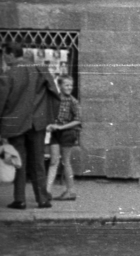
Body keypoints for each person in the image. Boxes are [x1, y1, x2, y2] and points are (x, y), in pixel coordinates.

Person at [0, 42, 60, 210]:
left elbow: (2, 101)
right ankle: (42, 199)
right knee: (38, 162)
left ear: (11, 54)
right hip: (37, 122)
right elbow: (54, 93)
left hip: (16, 122)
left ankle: (20, 200)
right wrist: (48, 115)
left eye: (5, 55)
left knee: (19, 161)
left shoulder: (8, 74)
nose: (4, 58)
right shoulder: (40, 69)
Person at [44, 75, 80, 200]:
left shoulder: (73, 101)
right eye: (66, 85)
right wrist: (50, 125)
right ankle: (46, 192)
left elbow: (78, 121)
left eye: (71, 85)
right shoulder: (55, 99)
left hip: (68, 133)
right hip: (55, 133)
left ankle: (71, 191)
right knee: (53, 161)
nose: (69, 87)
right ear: (60, 86)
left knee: (66, 162)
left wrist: (61, 127)